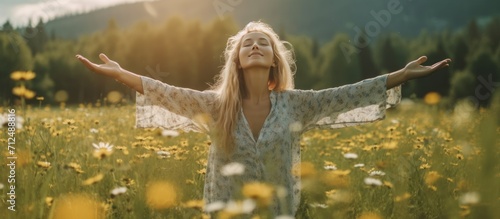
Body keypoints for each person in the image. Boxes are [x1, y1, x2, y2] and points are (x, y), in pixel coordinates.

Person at [76, 21, 451, 217]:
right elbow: (165, 92)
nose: (255, 45)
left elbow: (347, 94)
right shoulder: (215, 106)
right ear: (237, 59)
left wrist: (400, 75)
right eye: (247, 43)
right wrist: (121, 72)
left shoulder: (297, 105)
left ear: (274, 59)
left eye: (263, 42)